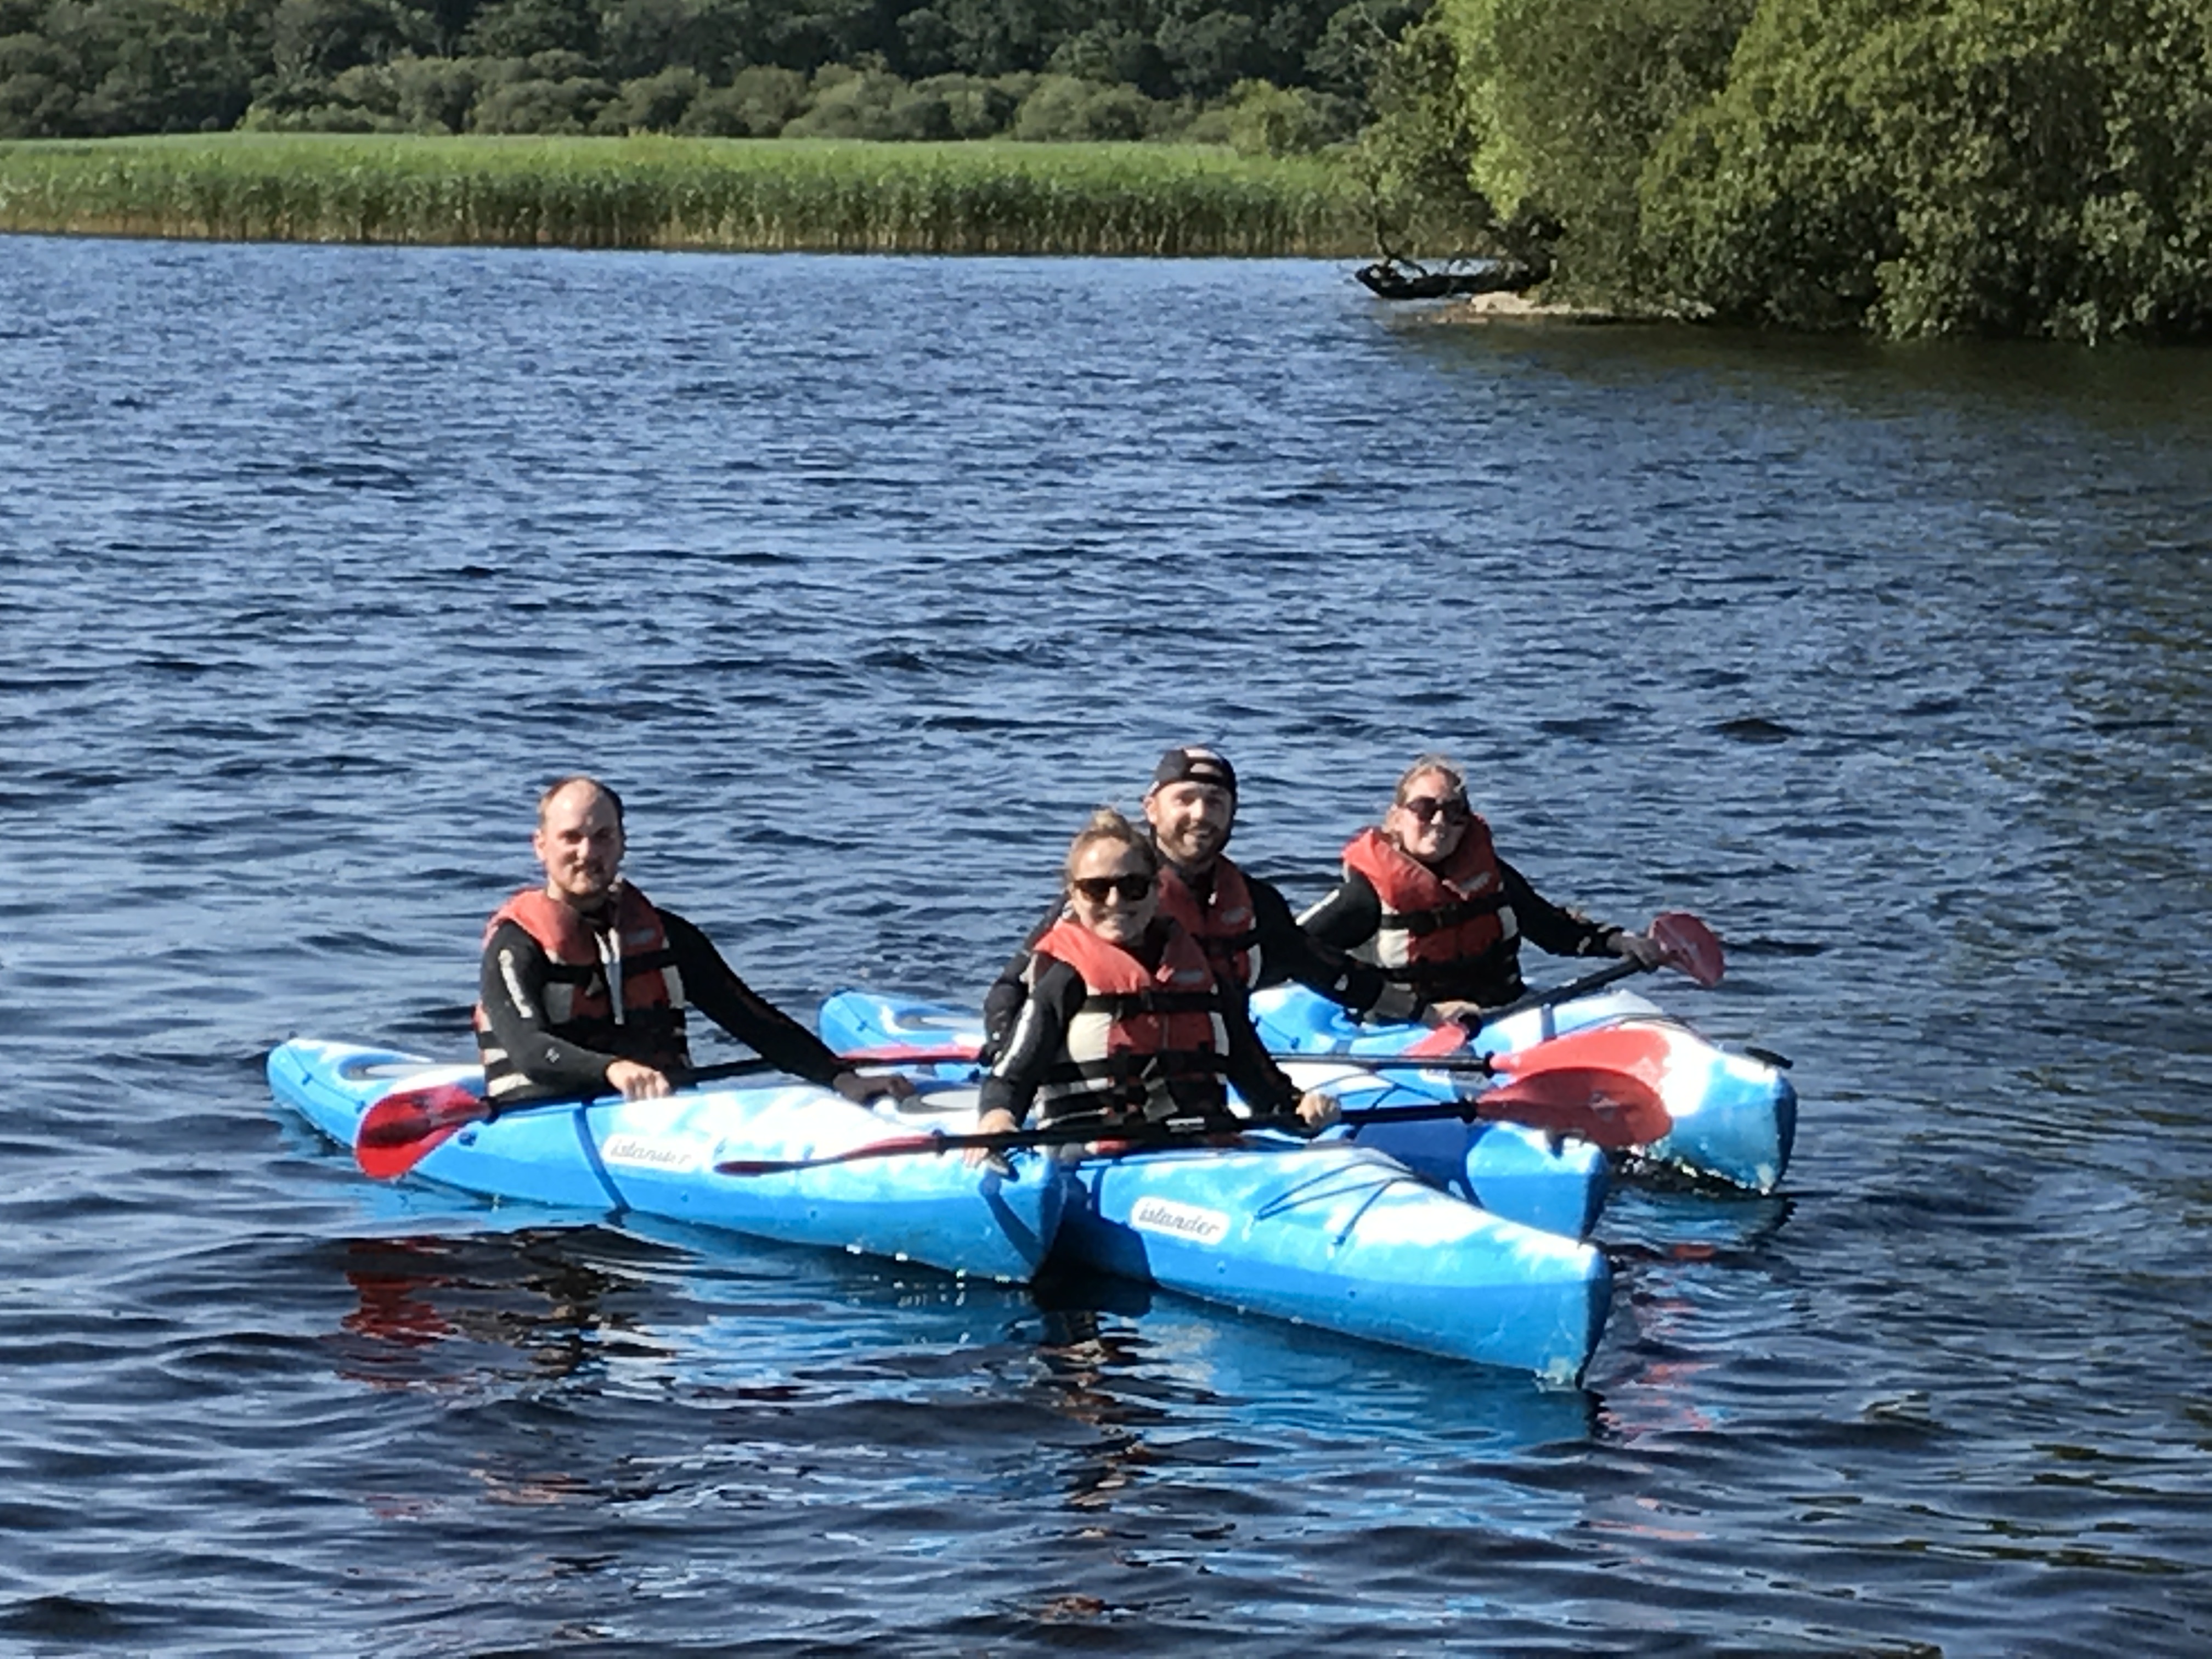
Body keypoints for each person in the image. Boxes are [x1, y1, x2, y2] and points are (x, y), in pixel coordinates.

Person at [474, 774, 911, 1106]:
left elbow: (750, 1017)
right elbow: (529, 1049)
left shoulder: (665, 935)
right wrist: (614, 1070)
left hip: (653, 1108)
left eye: (603, 837)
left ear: (623, 843)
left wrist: (840, 1078)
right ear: (541, 846)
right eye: (571, 838)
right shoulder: (517, 943)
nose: (587, 853)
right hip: (543, 1113)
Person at [979, 746, 1427, 1052]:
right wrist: (1007, 1057)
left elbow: (1327, 970)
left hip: (1209, 1070)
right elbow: (1010, 990)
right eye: (1185, 800)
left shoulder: (1255, 902)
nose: (1200, 815)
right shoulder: (1109, 896)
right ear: (1152, 808)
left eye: (1215, 802)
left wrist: (1424, 1013)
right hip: (1109, 1080)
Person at [973, 808, 1335, 1148]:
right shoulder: (1064, 978)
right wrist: (998, 1117)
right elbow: (1011, 1078)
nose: (1115, 902)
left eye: (1133, 887)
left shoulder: (1205, 975)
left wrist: (1301, 1106)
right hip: (1095, 1155)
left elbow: (1261, 1081)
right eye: (1096, 889)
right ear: (1074, 896)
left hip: (1203, 1148)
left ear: (1157, 889)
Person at [1299, 753, 1662, 1022]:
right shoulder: (1364, 898)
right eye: (1424, 809)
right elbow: (1291, 949)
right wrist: (1420, 1011)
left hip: (1504, 1014)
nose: (1440, 822)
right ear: (1395, 819)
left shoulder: (1492, 878)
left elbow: (1552, 928)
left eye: (1454, 811)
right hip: (1406, 1030)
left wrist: (1622, 942)